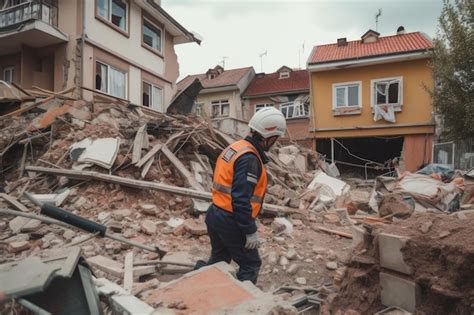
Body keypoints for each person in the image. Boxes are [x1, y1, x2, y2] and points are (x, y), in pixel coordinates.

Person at [195, 107, 287, 284]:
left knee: (219, 260)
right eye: (276, 139)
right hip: (231, 220)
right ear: (270, 137)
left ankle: (203, 289)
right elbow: (241, 199)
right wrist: (249, 230)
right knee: (250, 264)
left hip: (215, 213)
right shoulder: (249, 159)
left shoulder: (236, 148)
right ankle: (244, 305)